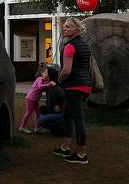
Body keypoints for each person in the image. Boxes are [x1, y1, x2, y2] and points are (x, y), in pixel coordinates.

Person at [53, 17, 92, 165]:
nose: (64, 29)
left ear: (77, 29)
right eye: (64, 26)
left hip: (73, 87)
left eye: (68, 27)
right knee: (67, 115)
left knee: (78, 119)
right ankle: (65, 147)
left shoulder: (69, 46)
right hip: (84, 85)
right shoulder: (84, 45)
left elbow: (66, 71)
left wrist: (58, 79)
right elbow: (86, 67)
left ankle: (82, 154)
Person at [19, 64, 54, 134]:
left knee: (38, 113)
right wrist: (49, 85)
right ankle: (22, 127)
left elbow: (45, 88)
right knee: (28, 112)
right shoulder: (39, 79)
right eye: (44, 73)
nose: (44, 74)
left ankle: (37, 127)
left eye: (46, 73)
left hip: (35, 100)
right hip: (31, 98)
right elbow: (40, 87)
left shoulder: (46, 82)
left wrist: (50, 84)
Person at [37, 67, 65, 134]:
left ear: (50, 76)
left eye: (46, 73)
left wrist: (59, 105)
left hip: (63, 114)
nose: (43, 74)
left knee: (40, 121)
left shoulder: (56, 89)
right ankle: (57, 127)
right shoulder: (50, 87)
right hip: (54, 112)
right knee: (41, 109)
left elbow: (63, 99)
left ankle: (61, 129)